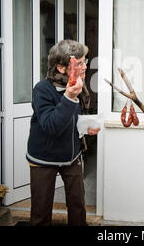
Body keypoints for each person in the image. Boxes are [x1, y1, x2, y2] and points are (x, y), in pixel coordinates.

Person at [26, 39, 100, 226]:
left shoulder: (77, 85)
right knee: (41, 212)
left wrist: (84, 128)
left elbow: (73, 118)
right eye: (80, 63)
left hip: (71, 155)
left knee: (77, 207)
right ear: (61, 67)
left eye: (85, 60)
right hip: (43, 158)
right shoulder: (42, 90)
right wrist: (68, 97)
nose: (85, 66)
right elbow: (51, 126)